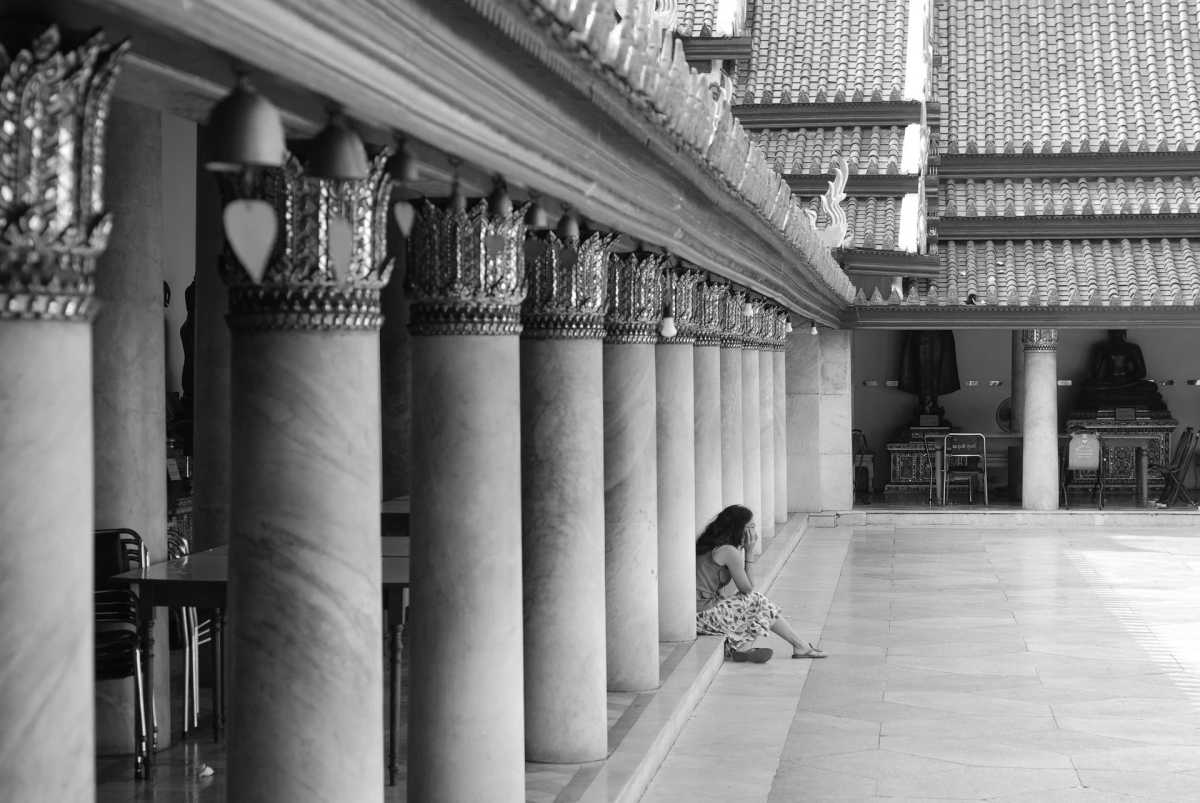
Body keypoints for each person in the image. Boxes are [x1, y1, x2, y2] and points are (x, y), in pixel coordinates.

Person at [695, 505, 826, 662]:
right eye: (750, 527)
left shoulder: (712, 545)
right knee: (757, 600)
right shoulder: (728, 551)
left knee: (752, 606)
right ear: (738, 528)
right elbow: (747, 589)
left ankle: (743, 646)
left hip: (698, 615)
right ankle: (797, 646)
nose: (754, 532)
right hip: (702, 616)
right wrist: (749, 552)